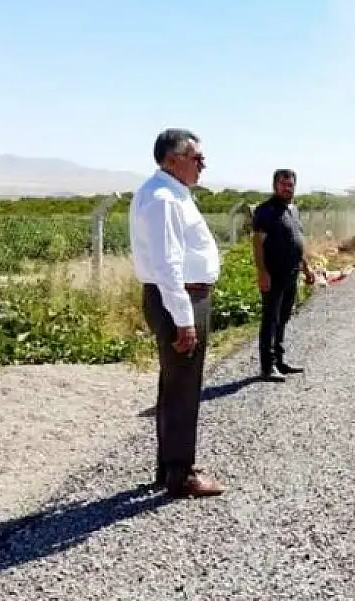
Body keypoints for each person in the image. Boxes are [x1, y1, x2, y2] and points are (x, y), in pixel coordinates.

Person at [129, 128, 224, 499]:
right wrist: (184, 320)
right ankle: (181, 475)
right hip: (179, 298)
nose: (203, 164)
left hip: (178, 298)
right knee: (183, 387)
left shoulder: (167, 193)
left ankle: (169, 465)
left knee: (174, 384)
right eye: (196, 157)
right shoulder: (165, 198)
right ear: (172, 159)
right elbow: (169, 265)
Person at [251, 168, 315, 381]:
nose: (288, 188)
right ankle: (267, 366)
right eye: (284, 184)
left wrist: (306, 268)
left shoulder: (293, 210)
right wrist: (262, 272)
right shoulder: (265, 211)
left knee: (283, 318)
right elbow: (258, 243)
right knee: (270, 319)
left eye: (291, 185)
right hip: (273, 274)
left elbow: (296, 242)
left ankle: (279, 361)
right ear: (275, 186)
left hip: (291, 274)